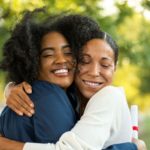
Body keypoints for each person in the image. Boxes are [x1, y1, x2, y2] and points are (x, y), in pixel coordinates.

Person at [0, 9, 146, 150]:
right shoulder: (53, 96)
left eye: (105, 64)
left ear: (115, 67)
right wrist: (133, 147)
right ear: (33, 60)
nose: (94, 72)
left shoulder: (108, 96)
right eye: (85, 61)